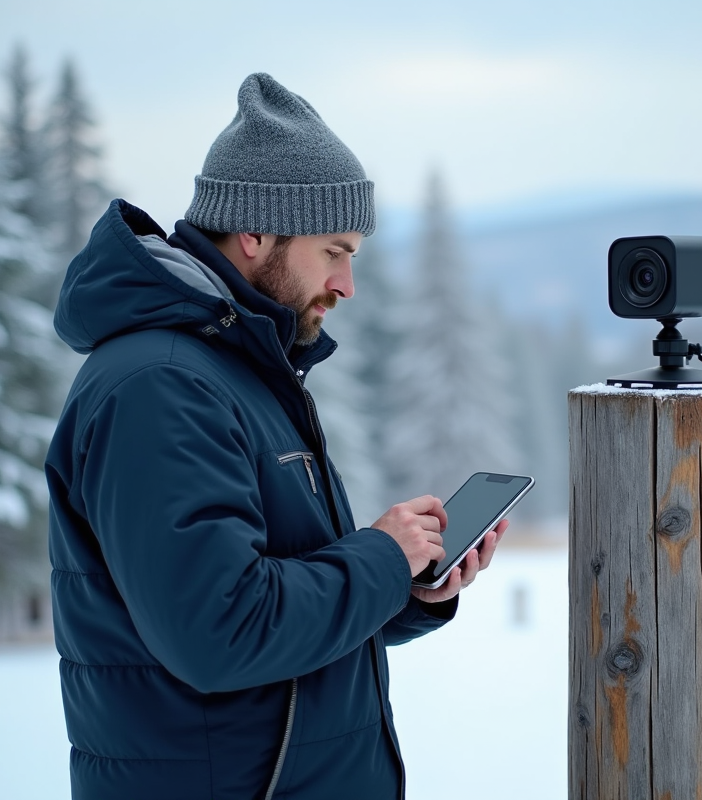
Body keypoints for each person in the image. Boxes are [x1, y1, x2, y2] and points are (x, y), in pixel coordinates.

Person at [45, 72, 505, 800]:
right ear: (256, 233)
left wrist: (407, 589)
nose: (347, 283)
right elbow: (222, 629)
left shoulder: (238, 371)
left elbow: (284, 614)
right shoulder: (162, 387)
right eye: (334, 251)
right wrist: (381, 556)